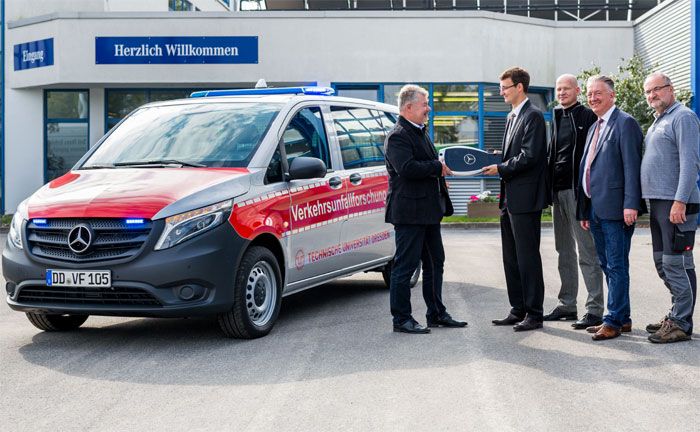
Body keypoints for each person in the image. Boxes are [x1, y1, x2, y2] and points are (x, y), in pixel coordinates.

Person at [385, 84, 467, 334]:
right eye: (424, 104)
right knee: (405, 266)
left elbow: (427, 165)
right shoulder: (398, 135)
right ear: (408, 107)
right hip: (410, 213)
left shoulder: (420, 131)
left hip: (428, 212)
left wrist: (438, 178)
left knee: (435, 263)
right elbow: (407, 168)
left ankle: (436, 313)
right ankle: (401, 319)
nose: (428, 108)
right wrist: (436, 168)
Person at [577, 75, 645, 341]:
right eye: (590, 94)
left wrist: (631, 204)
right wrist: (585, 209)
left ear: (612, 95)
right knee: (606, 264)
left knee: (616, 265)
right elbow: (587, 169)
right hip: (595, 208)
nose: (593, 98)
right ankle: (623, 317)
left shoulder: (625, 123)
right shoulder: (595, 126)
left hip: (617, 209)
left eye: (598, 93)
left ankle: (613, 320)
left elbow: (632, 167)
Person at [483, 67, 549, 332]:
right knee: (511, 257)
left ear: (519, 87)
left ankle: (534, 313)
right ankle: (517, 308)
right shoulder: (512, 117)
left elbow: (531, 156)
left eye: (505, 87)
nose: (501, 92)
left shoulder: (532, 116)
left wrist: (500, 167)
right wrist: (495, 157)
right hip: (509, 198)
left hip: (525, 199)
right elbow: (514, 152)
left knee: (527, 257)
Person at [641, 72, 700, 344]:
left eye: (657, 90)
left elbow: (690, 163)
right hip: (659, 203)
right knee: (662, 262)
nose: (652, 95)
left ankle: (680, 323)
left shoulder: (683, 117)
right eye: (648, 92)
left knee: (676, 264)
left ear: (670, 89)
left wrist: (680, 200)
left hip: (678, 203)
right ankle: (678, 314)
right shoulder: (658, 121)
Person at [543, 74, 605, 330]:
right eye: (558, 89)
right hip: (558, 192)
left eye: (566, 88)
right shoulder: (556, 116)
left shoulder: (587, 116)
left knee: (587, 253)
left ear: (577, 90)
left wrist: (588, 196)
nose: (562, 92)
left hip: (578, 194)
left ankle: (594, 309)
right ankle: (567, 304)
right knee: (563, 251)